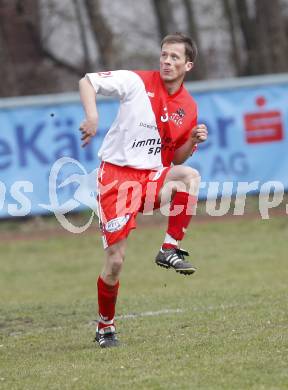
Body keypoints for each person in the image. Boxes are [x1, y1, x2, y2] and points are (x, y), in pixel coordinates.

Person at [79, 33, 208, 348]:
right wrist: (93, 116)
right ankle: (105, 327)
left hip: (150, 177)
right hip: (116, 179)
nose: (166, 61)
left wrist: (192, 140)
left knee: (188, 175)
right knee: (115, 262)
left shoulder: (188, 107)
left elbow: (173, 158)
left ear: (188, 65)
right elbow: (87, 81)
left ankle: (169, 248)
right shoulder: (135, 82)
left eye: (175, 57)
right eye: (164, 55)